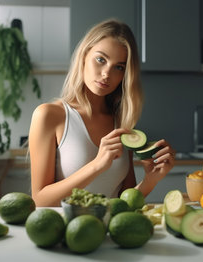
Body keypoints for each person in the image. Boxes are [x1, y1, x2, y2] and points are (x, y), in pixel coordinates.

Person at [28, 19, 176, 207]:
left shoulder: (122, 122)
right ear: (84, 56)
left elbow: (124, 201)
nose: (106, 73)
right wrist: (97, 165)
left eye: (118, 67)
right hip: (65, 232)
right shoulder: (49, 115)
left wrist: (151, 180)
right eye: (101, 60)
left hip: (108, 233)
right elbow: (40, 200)